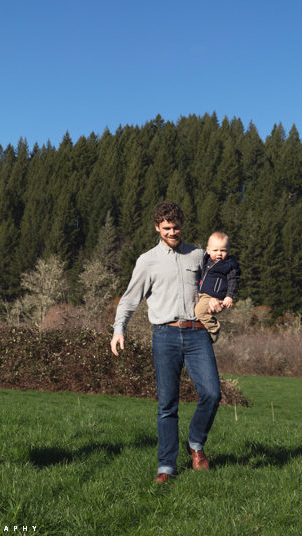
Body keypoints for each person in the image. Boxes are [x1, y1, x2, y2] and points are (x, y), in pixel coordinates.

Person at [110, 201, 224, 483]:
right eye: (166, 228)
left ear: (182, 225)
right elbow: (129, 298)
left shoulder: (198, 255)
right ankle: (167, 467)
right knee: (167, 404)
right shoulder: (147, 260)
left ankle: (195, 444)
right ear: (157, 228)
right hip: (165, 335)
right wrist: (118, 329)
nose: (172, 232)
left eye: (176, 227)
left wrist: (217, 302)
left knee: (212, 393)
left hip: (198, 334)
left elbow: (216, 284)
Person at [194, 231, 240, 340]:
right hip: (202, 294)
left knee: (199, 312)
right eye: (215, 250)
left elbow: (233, 280)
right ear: (208, 250)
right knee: (198, 312)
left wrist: (229, 296)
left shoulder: (229, 265)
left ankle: (214, 328)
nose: (219, 253)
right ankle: (205, 330)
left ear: (228, 251)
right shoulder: (206, 260)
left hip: (213, 295)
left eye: (223, 250)